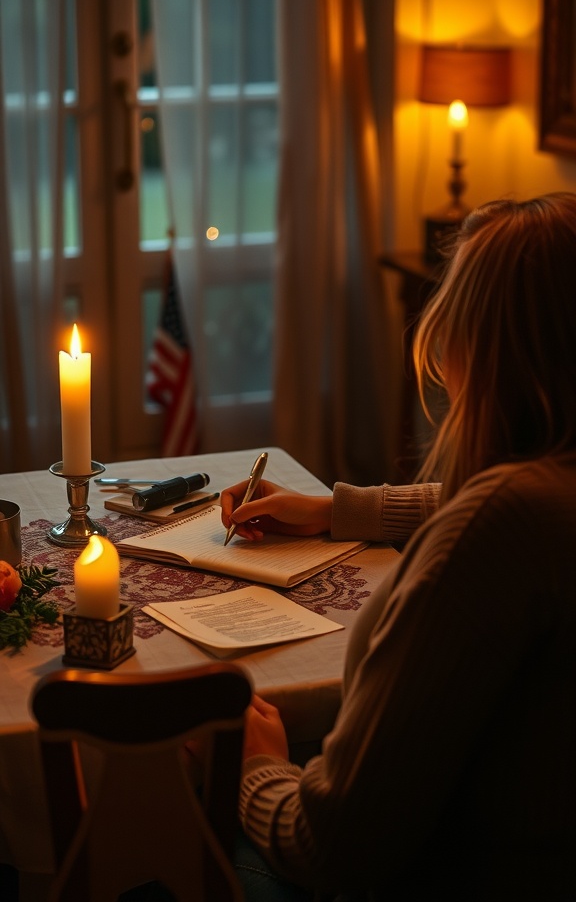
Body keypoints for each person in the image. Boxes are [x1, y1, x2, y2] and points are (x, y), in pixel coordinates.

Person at [221, 194, 576, 902]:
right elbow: (481, 507)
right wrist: (336, 509)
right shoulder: (541, 499)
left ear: (476, 346)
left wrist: (256, 766)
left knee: (152, 837)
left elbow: (328, 847)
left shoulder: (500, 527)